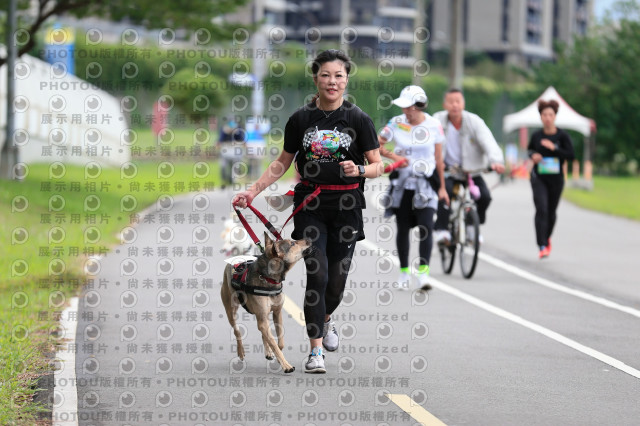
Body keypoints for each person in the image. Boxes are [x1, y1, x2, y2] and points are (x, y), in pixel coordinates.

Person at [232, 49, 382, 374]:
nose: (332, 81)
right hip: (310, 205)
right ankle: (316, 352)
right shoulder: (300, 119)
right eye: (326, 75)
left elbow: (378, 166)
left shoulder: (358, 119)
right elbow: (281, 163)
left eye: (339, 76)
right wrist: (253, 190)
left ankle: (326, 318)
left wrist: (359, 169)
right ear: (316, 78)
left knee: (336, 284)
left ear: (346, 80)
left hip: (347, 207)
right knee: (318, 274)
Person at [378, 85, 447, 291]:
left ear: (419, 106)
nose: (406, 111)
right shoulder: (395, 123)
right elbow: (376, 144)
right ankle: (404, 272)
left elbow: (438, 158)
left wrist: (442, 187)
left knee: (426, 227)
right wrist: (395, 157)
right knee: (403, 228)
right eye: (404, 107)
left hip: (426, 184)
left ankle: (423, 274)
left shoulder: (434, 125)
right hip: (403, 184)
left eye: (409, 107)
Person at [433, 88, 505, 244]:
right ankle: (442, 229)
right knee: (445, 194)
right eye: (451, 102)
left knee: (484, 197)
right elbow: (426, 143)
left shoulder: (474, 121)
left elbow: (489, 142)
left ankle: (473, 226)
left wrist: (496, 161)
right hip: (448, 171)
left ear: (463, 103)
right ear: (445, 104)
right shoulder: (437, 120)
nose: (455, 105)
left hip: (472, 172)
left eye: (458, 101)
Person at [527, 99, 574, 259]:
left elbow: (571, 155)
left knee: (551, 212)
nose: (547, 117)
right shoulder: (536, 135)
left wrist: (555, 148)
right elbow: (530, 151)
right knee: (542, 209)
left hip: (556, 179)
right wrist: (534, 156)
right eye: (544, 114)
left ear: (555, 116)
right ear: (540, 117)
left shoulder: (562, 136)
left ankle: (546, 238)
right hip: (538, 177)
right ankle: (541, 244)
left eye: (550, 114)